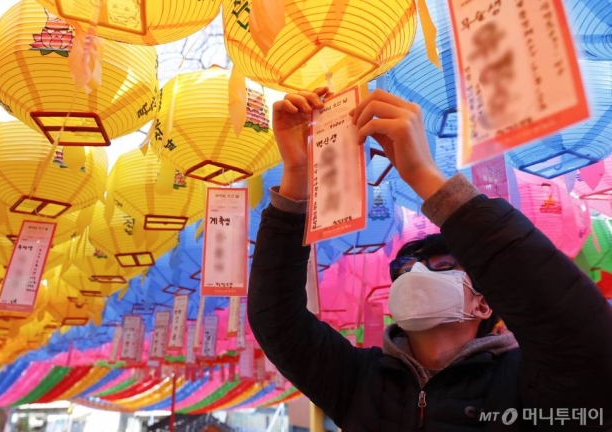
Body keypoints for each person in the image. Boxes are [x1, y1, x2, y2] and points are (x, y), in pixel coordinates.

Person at [247, 88, 612, 431]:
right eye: (404, 271)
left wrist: (426, 177)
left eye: (443, 267)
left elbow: (579, 329)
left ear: (484, 304)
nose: (415, 274)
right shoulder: (358, 381)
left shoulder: (529, 384)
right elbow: (276, 317)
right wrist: (296, 173)